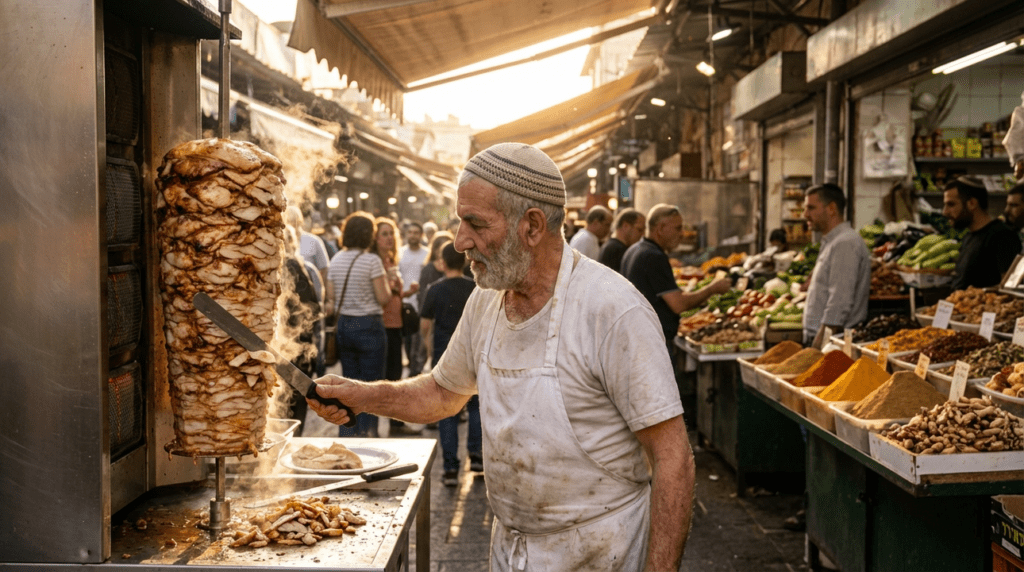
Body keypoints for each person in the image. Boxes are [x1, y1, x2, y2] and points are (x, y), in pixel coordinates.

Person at [309, 143, 693, 571]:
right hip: (513, 549)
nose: (459, 241)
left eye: (475, 223)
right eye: (460, 222)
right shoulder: (485, 301)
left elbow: (672, 456)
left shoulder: (613, 311)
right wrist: (360, 395)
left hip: (603, 551)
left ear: (531, 226)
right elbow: (441, 393)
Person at [621, 204, 731, 355]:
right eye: (678, 228)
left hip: (638, 339)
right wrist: (712, 289)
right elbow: (678, 305)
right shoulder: (654, 256)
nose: (682, 234)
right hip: (651, 346)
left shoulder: (634, 250)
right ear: (660, 229)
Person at [325, 212, 392, 437]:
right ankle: (368, 435)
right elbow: (383, 298)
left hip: (345, 325)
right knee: (370, 387)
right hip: (369, 325)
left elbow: (331, 300)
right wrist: (390, 284)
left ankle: (348, 434)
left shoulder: (336, 259)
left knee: (348, 386)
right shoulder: (371, 261)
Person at [420, 242, 480, 487]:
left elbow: (425, 326)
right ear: (465, 261)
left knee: (447, 411)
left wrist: (428, 348)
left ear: (442, 263)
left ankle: (450, 468)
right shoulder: (475, 287)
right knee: (476, 406)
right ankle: (476, 457)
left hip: (444, 354)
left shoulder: (434, 290)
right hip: (473, 354)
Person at [801, 183, 871, 347]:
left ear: (831, 208)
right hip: (827, 340)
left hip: (833, 343)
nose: (805, 214)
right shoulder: (832, 242)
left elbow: (839, 303)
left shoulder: (845, 243)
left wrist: (819, 344)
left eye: (811, 208)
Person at [370, 217, 415, 436]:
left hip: (395, 324)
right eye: (384, 234)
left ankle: (395, 423)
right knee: (384, 377)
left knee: (396, 375)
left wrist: (406, 293)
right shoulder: (375, 262)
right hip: (383, 325)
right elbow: (381, 297)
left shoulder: (389, 260)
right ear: (375, 239)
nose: (389, 238)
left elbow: (392, 295)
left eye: (391, 233)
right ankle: (379, 427)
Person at [944, 177, 1022, 291]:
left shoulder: (1002, 236)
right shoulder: (968, 237)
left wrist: (979, 295)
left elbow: (1009, 288)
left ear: (972, 203)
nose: (945, 211)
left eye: (951, 204)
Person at [281, 227, 322, 436]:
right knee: (294, 400)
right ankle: (291, 440)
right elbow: (313, 307)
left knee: (287, 400)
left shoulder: (294, 266)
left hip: (291, 345)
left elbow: (309, 309)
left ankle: (285, 442)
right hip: (292, 346)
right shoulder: (296, 265)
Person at [399, 222, 429, 377]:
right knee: (407, 338)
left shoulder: (427, 253)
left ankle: (416, 368)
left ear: (421, 235)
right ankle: (411, 364)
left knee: (419, 337)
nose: (413, 235)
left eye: (416, 232)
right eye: (410, 232)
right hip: (403, 302)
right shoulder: (399, 253)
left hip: (421, 302)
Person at [415, 231, 456, 334]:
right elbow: (423, 298)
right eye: (442, 246)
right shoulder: (428, 270)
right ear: (435, 249)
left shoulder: (458, 269)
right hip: (433, 323)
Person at [285, 206, 330, 284]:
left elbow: (324, 268)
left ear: (300, 221)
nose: (292, 226)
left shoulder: (313, 241)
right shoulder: (282, 242)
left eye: (294, 221)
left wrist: (319, 288)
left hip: (310, 287)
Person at [598, 208, 646, 273]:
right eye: (639, 230)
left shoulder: (611, 246)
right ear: (625, 226)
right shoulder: (615, 250)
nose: (642, 234)